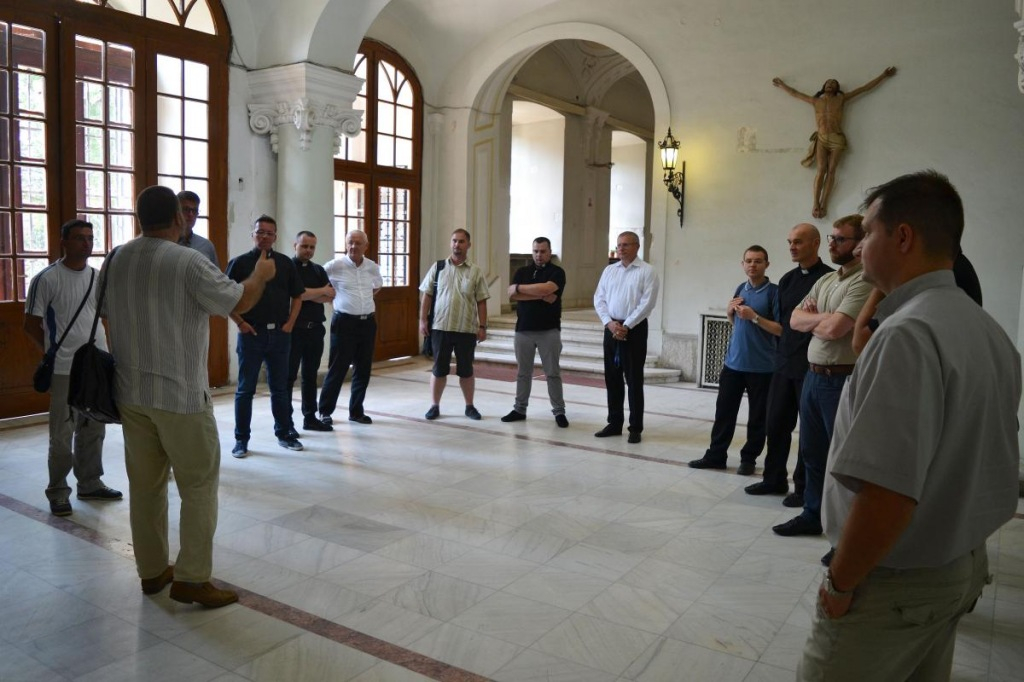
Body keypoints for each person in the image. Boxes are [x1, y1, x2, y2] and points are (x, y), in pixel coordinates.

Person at [800, 171, 1020, 680]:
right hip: (958, 563)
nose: (859, 248)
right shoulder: (985, 328)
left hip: (897, 583)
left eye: (867, 233)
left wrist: (841, 581)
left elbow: (888, 492)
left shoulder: (908, 335)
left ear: (902, 237)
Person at [101, 185, 275, 607]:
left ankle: (152, 571)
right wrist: (260, 275)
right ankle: (192, 579)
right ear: (179, 218)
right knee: (198, 484)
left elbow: (105, 314)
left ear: (139, 218)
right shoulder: (187, 261)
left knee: (145, 487)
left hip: (131, 392)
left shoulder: (115, 258)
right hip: (180, 395)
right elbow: (239, 300)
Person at [773, 214, 871, 538]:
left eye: (840, 239)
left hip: (841, 379)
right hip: (813, 376)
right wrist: (823, 320)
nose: (833, 244)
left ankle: (844, 534)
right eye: (832, 237)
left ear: (860, 244)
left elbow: (835, 329)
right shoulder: (827, 281)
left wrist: (818, 321)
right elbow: (794, 319)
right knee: (812, 454)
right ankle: (812, 514)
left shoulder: (864, 281)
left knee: (840, 460)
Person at [24, 219, 122, 517]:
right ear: (64, 242)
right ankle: (58, 491)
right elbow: (30, 324)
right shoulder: (46, 279)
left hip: (95, 366)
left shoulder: (97, 278)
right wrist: (51, 353)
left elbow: (105, 317)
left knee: (93, 427)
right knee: (62, 434)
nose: (86, 243)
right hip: (65, 368)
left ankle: (90, 483)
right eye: (79, 238)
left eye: (90, 238)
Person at [745, 224, 833, 502]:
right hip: (783, 363)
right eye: (790, 242)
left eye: (798, 242)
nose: (792, 247)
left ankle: (804, 488)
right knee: (775, 424)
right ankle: (774, 479)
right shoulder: (787, 280)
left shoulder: (829, 279)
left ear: (815, 243)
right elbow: (784, 323)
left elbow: (825, 324)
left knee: (809, 432)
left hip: (811, 365)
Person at [689, 246, 780, 473]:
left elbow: (780, 329)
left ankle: (748, 459)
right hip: (733, 364)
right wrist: (730, 314)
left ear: (767, 264)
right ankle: (716, 455)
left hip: (762, 367)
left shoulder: (774, 292)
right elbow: (738, 324)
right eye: (748, 261)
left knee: (758, 417)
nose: (752, 265)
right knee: (724, 413)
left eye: (758, 261)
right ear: (742, 264)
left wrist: (755, 317)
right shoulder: (741, 288)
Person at [226, 216, 304, 456]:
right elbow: (225, 298)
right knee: (245, 390)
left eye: (269, 233)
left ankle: (285, 433)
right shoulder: (239, 263)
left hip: (280, 334)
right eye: (260, 232)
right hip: (252, 334)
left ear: (275, 237)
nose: (264, 237)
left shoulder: (285, 263)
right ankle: (241, 440)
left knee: (280, 388)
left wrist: (290, 324)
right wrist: (240, 323)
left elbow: (297, 296)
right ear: (253, 234)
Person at [773, 67, 897, 219]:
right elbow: (795, 93)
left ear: (837, 88)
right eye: (828, 83)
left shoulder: (841, 99)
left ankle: (824, 204)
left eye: (833, 83)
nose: (830, 85)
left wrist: (883, 75)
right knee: (821, 170)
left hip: (836, 138)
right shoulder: (815, 101)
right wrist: (782, 85)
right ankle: (815, 203)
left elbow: (864, 88)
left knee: (831, 170)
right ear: (823, 86)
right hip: (822, 137)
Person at [593, 231, 660, 444]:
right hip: (611, 327)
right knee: (612, 378)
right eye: (619, 245)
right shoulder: (609, 270)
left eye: (626, 245)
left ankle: (635, 427)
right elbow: (599, 298)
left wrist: (627, 325)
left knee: (633, 379)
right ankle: (614, 423)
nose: (621, 249)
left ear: (637, 246)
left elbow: (647, 303)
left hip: (635, 329)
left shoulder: (647, 271)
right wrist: (609, 323)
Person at [851, 250, 982, 355]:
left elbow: (861, 342)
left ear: (904, 237)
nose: (857, 251)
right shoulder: (956, 266)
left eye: (869, 233)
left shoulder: (922, 276)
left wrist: (883, 274)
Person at [418, 229, 489, 420]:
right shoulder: (438, 267)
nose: (457, 245)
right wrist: (423, 320)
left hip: (466, 329)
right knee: (439, 369)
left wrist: (482, 326)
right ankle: (434, 406)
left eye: (461, 241)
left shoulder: (475, 271)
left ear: (468, 245)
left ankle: (469, 406)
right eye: (454, 241)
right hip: (440, 327)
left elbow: (481, 301)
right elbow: (427, 294)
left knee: (466, 370)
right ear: (451, 243)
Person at [501, 237, 569, 427]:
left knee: (552, 373)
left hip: (549, 330)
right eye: (535, 251)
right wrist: (540, 294)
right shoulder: (522, 272)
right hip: (523, 330)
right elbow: (512, 295)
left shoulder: (557, 272)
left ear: (550, 252)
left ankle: (559, 411)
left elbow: (547, 288)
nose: (539, 255)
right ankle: (519, 409)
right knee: (523, 373)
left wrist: (520, 289)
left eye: (543, 251)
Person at [318, 230, 383, 426]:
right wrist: (332, 299)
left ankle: (356, 411)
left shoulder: (372, 267)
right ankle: (325, 411)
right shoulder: (334, 266)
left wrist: (362, 300)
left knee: (363, 369)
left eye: (358, 243)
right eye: (350, 242)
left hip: (367, 323)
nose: (353, 246)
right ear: (346, 244)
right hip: (344, 323)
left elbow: (377, 286)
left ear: (366, 246)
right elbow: (319, 284)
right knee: (337, 368)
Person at [287, 231, 335, 432]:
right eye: (304, 246)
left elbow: (330, 296)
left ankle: (310, 417)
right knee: (288, 377)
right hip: (293, 331)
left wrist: (307, 293)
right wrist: (318, 291)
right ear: (295, 246)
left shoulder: (318, 270)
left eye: (312, 247)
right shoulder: (287, 268)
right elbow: (295, 295)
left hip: (315, 330)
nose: (308, 250)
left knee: (310, 376)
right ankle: (286, 422)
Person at [176, 191, 218, 267]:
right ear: (176, 211)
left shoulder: (206, 245)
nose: (191, 214)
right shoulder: (167, 243)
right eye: (186, 209)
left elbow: (215, 274)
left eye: (194, 210)